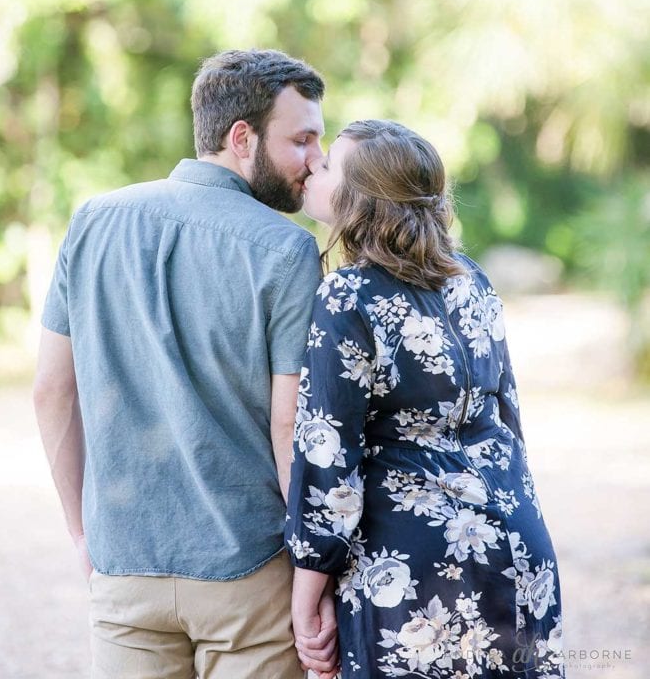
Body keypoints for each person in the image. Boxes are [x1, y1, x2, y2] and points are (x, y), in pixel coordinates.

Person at [33, 48, 339, 679]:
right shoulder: (287, 250)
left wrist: (82, 535)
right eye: (302, 139)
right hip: (248, 574)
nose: (316, 161)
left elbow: (51, 393)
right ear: (242, 138)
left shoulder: (91, 222)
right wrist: (316, 573)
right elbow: (291, 430)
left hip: (123, 569)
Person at [285, 120, 566, 679]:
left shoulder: (347, 296)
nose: (314, 166)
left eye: (329, 165)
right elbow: (508, 420)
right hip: (515, 538)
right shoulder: (473, 280)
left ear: (360, 200)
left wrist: (306, 587)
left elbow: (329, 454)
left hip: (414, 564)